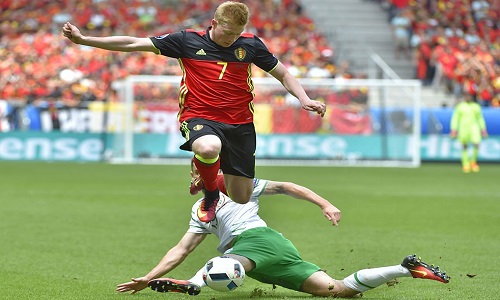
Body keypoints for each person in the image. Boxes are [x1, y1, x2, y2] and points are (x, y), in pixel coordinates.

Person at [62, 1, 327, 222]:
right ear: (213, 23)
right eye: (226, 32)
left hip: (240, 123)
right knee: (209, 147)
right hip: (199, 115)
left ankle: (208, 173)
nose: (230, 39)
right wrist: (84, 39)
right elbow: (133, 42)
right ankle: (210, 194)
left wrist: (304, 98)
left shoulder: (251, 45)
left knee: (241, 196)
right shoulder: (186, 41)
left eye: (236, 34)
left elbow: (282, 73)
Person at [115, 162, 450, 297]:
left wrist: (324, 203)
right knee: (335, 290)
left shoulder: (234, 186)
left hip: (255, 243)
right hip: (272, 253)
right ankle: (407, 269)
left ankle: (192, 283)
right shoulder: (200, 208)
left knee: (228, 263)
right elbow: (181, 248)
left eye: (197, 170)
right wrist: (149, 275)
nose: (193, 175)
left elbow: (287, 186)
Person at [450, 94, 488, 173]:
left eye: (469, 96)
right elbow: (455, 118)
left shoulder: (476, 106)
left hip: (474, 128)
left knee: (477, 143)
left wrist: (483, 129)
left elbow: (480, 118)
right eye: (466, 96)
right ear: (464, 97)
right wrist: (454, 129)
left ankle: (473, 161)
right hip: (463, 128)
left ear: (471, 97)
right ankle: (465, 163)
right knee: (464, 145)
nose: (467, 97)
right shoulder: (460, 107)